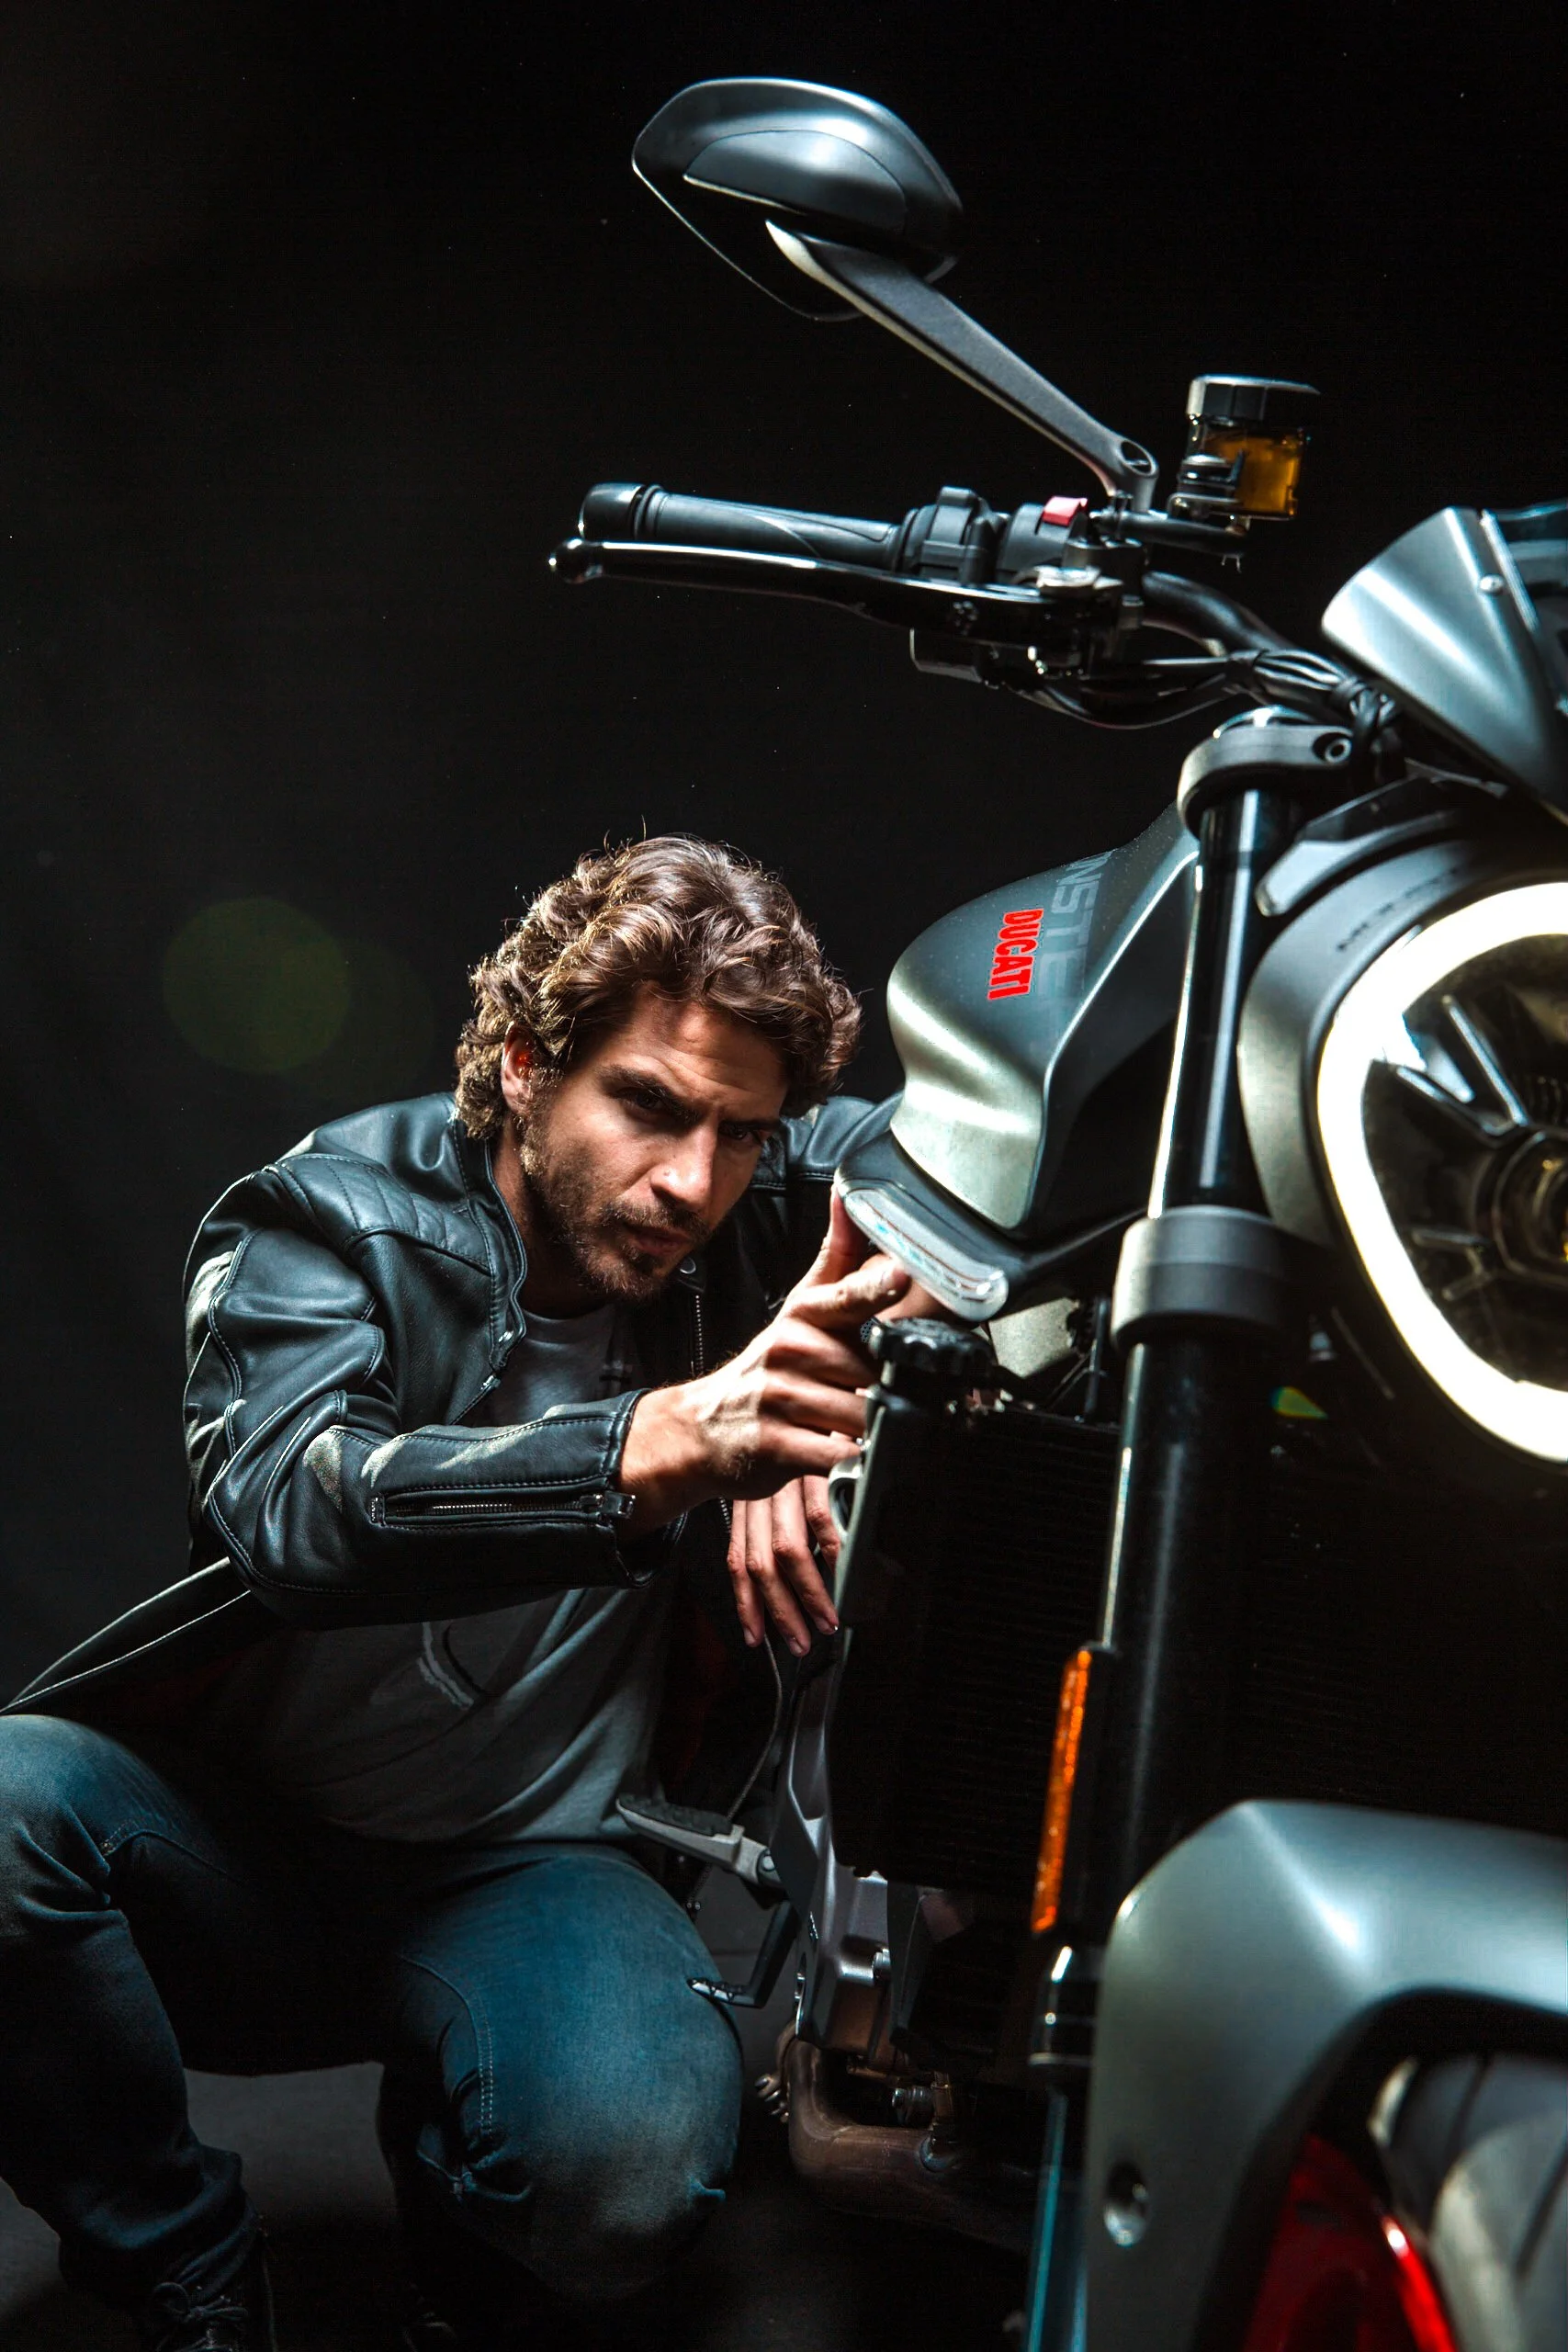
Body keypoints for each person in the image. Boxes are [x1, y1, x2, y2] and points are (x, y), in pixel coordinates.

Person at [0, 836, 914, 2352]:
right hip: (251, 1862)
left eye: (741, 1134)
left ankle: (467, 2265)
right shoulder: (322, 1220)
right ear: (522, 1064)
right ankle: (187, 2269)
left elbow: (991, 1161)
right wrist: (664, 1445)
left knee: (617, 2183)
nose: (690, 1179)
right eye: (645, 1105)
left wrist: (866, 1367)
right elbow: (300, 1512)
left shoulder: (759, 1215)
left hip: (537, 1874)